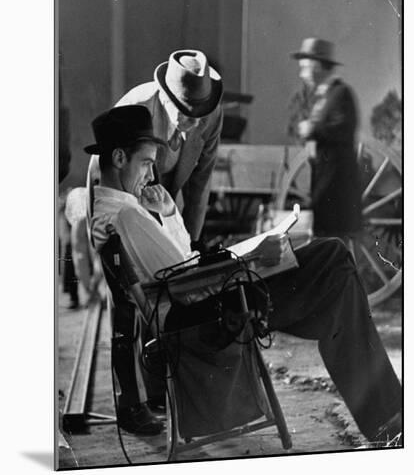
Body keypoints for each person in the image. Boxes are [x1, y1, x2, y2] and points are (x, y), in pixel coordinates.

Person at [87, 105, 401, 447]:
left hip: (206, 302)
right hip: (209, 312)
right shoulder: (128, 216)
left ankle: (388, 421)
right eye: (147, 163)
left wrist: (168, 214)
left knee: (338, 292)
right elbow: (183, 279)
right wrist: (241, 259)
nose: (150, 175)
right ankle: (388, 419)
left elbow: (179, 268)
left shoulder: (114, 211)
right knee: (334, 258)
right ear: (120, 159)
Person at [113, 49, 224, 245]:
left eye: (201, 114)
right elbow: (106, 181)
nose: (196, 122)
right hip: (124, 207)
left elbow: (200, 184)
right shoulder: (134, 110)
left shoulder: (211, 116)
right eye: (186, 112)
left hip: (166, 206)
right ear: (165, 98)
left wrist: (192, 244)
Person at [287, 38, 362, 242]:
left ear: (318, 65)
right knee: (326, 238)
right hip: (324, 183)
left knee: (333, 240)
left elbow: (344, 128)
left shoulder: (341, 93)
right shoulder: (323, 96)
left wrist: (313, 128)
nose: (302, 73)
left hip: (337, 185)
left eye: (304, 67)